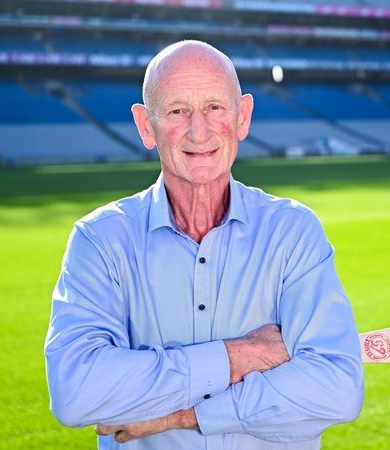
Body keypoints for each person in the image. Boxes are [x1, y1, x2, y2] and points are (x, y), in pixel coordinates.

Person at [44, 40, 365, 449]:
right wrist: (236, 357)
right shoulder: (100, 239)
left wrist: (180, 417)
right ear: (146, 126)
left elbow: (337, 388)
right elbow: (75, 394)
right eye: (177, 111)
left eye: (215, 107)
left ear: (242, 116)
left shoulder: (293, 231)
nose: (199, 131)